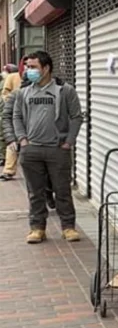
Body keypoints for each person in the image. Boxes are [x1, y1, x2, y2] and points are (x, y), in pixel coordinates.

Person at [14, 51, 82, 244]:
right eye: (27, 67)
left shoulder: (64, 90)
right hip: (32, 149)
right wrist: (22, 140)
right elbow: (16, 116)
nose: (29, 71)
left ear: (46, 68)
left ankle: (68, 227)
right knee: (35, 192)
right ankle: (37, 228)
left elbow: (77, 116)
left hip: (57, 149)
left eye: (33, 67)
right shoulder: (24, 91)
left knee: (62, 191)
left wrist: (68, 141)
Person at [4, 68, 60, 210]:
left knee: (51, 175)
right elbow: (7, 117)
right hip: (27, 142)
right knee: (33, 179)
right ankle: (37, 211)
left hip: (51, 142)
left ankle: (48, 192)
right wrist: (13, 138)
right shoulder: (17, 95)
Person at [1, 59, 25, 180]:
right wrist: (10, 102)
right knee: (12, 142)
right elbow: (5, 93)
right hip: (15, 112)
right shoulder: (12, 77)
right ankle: (9, 170)